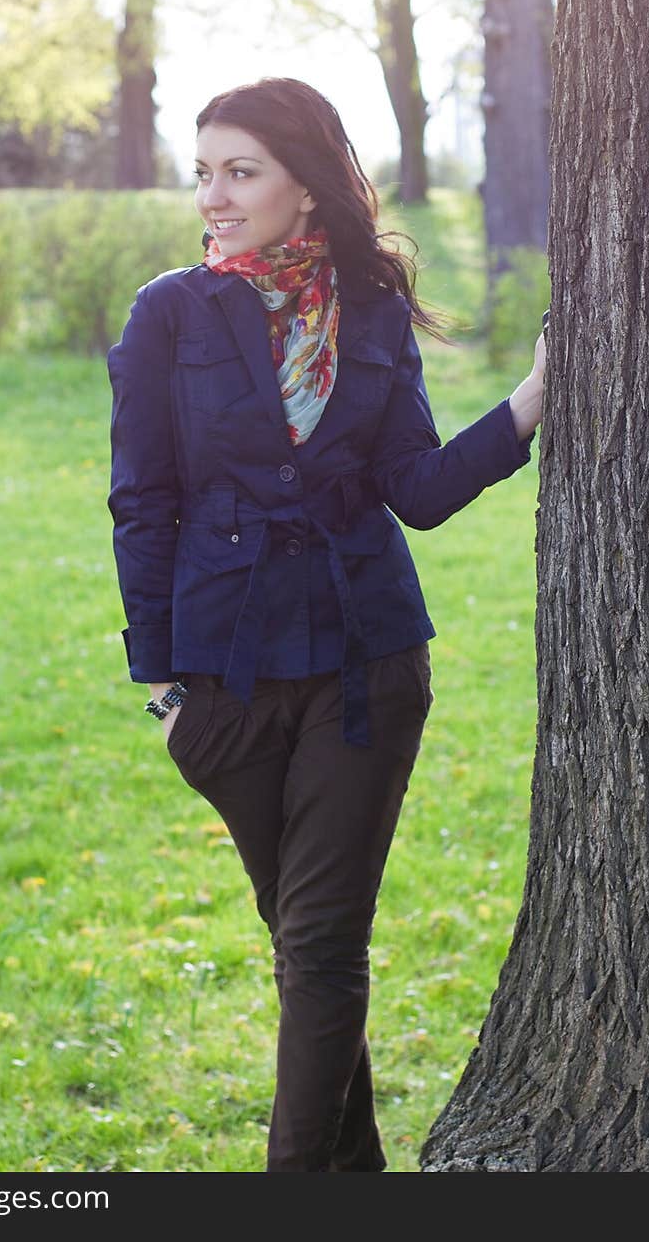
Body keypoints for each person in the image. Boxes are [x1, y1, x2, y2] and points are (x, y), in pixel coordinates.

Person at [106, 76, 546, 1172]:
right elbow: (142, 501)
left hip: (367, 665)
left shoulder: (373, 308)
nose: (213, 195)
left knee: (317, 945)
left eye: (239, 170)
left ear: (306, 185)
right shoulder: (169, 313)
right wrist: (161, 687)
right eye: (202, 171)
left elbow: (419, 489)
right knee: (308, 949)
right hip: (225, 682)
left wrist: (534, 399)